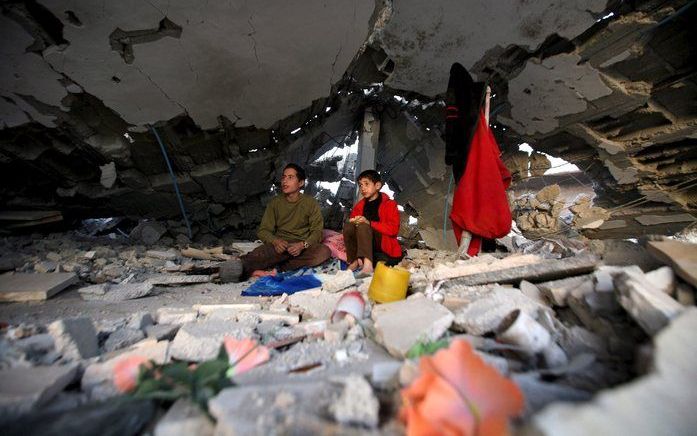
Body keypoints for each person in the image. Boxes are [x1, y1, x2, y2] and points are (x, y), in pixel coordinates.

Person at [240, 163, 331, 278]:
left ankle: (278, 266)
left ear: (301, 183)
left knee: (323, 252)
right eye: (283, 177)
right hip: (280, 246)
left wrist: (303, 245)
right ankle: (276, 264)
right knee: (256, 256)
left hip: (301, 247)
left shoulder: (311, 203)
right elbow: (263, 231)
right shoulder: (275, 203)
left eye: (290, 177)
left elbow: (317, 232)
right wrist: (275, 241)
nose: (284, 181)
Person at [343, 170, 402, 274]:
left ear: (377, 185)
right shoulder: (359, 206)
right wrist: (353, 221)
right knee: (348, 226)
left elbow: (393, 229)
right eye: (360, 185)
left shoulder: (389, 204)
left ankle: (368, 264)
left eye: (366, 184)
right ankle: (353, 261)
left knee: (363, 226)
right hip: (365, 247)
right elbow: (352, 226)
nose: (363, 188)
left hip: (383, 247)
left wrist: (369, 223)